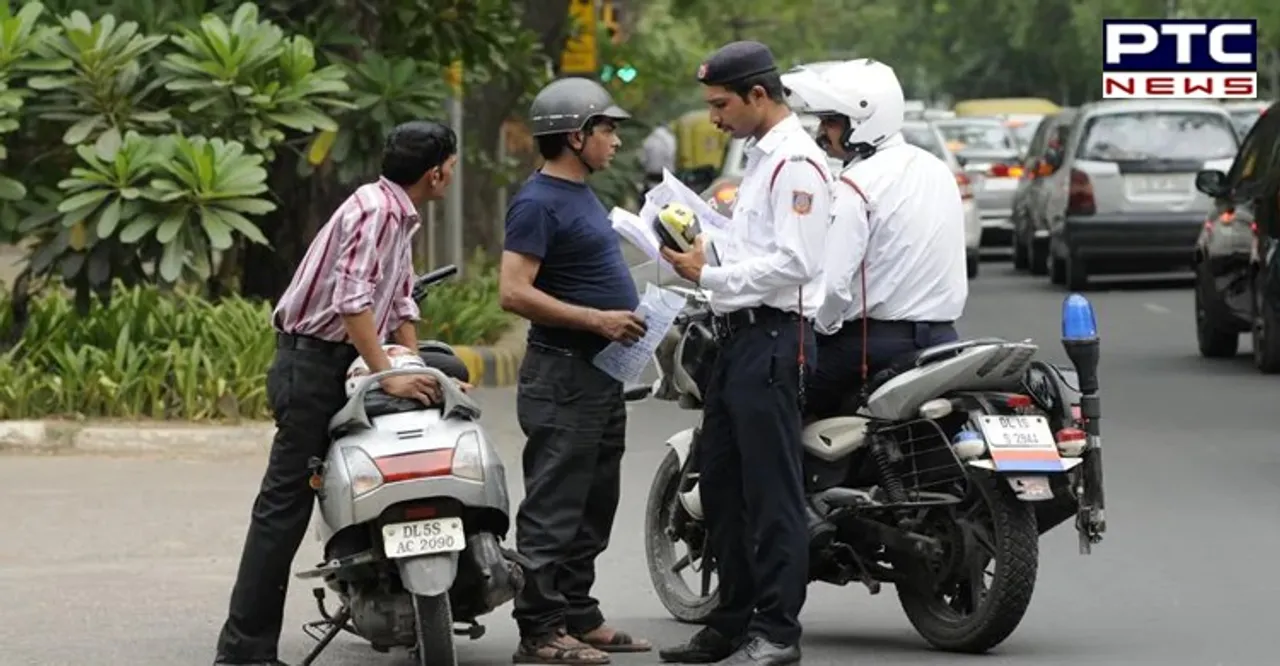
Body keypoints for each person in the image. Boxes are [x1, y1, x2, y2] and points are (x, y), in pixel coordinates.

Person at [213, 121, 464, 666]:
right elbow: (353, 302)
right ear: (437, 171)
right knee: (283, 511)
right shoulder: (376, 211)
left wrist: (415, 366)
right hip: (310, 367)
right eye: (452, 163)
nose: (452, 173)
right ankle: (242, 655)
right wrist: (389, 375)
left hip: (337, 362)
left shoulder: (398, 214)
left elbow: (397, 302)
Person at [659, 41, 832, 666]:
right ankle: (729, 622)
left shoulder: (798, 165)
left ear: (758, 95)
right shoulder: (760, 160)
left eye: (720, 104)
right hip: (736, 339)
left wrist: (709, 275)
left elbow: (798, 262)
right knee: (723, 488)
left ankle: (779, 631)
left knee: (772, 491)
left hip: (773, 338)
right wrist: (703, 244)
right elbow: (752, 243)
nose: (714, 118)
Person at [498, 76, 652, 665]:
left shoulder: (581, 194)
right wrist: (596, 320)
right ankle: (539, 630)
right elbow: (513, 292)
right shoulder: (537, 202)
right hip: (562, 375)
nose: (614, 140)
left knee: (594, 501)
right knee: (554, 506)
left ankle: (577, 613)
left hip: (599, 376)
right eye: (606, 129)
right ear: (574, 135)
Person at [782, 59, 967, 421]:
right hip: (944, 341)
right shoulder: (936, 169)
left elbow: (834, 287)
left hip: (869, 347)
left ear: (864, 121)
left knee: (775, 403)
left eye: (832, 122)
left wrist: (819, 327)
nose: (822, 132)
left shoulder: (857, 184)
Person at [641, 122, 677, 193]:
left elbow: (643, 160)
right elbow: (672, 155)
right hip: (667, 175)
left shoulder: (649, 140)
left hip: (652, 176)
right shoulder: (670, 139)